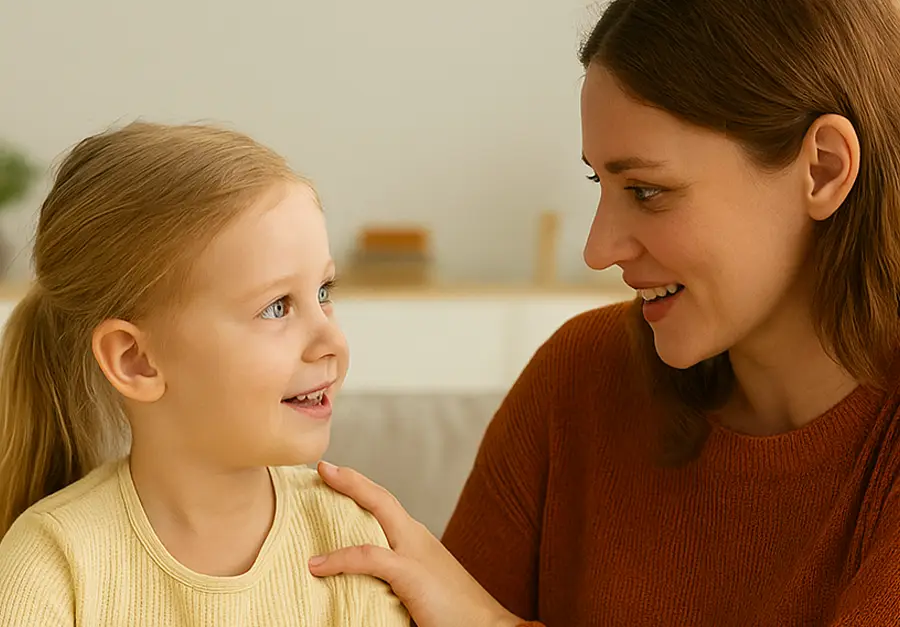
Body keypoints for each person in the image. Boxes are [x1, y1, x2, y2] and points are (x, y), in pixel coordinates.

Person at [306, 0, 900, 624]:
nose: (598, 250)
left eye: (647, 191)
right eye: (601, 185)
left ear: (823, 169)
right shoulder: (579, 378)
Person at [0, 122, 409, 627]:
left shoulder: (354, 539)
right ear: (135, 360)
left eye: (323, 293)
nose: (331, 342)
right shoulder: (50, 564)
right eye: (277, 307)